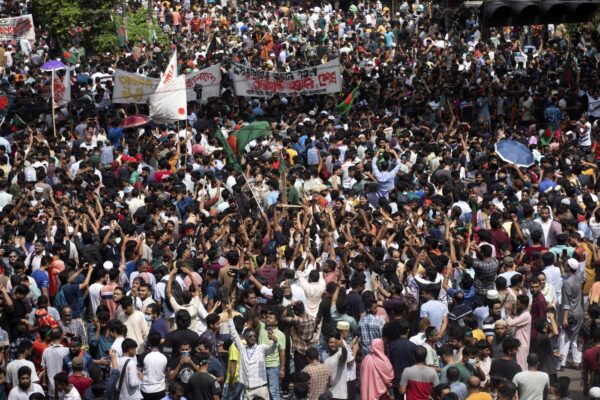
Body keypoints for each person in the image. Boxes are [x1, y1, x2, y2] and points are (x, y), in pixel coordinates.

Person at [225, 302, 277, 400]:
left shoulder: (261, 348)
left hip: (261, 389)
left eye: (254, 336)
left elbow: (272, 349)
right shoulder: (242, 348)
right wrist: (229, 313)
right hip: (248, 390)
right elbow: (233, 333)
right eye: (250, 336)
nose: (252, 338)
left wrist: (275, 341)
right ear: (245, 337)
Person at [140, 331, 168, 400]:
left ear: (149, 342)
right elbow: (167, 373)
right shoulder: (165, 356)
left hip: (146, 389)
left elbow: (138, 372)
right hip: (160, 389)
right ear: (160, 342)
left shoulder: (143, 355)